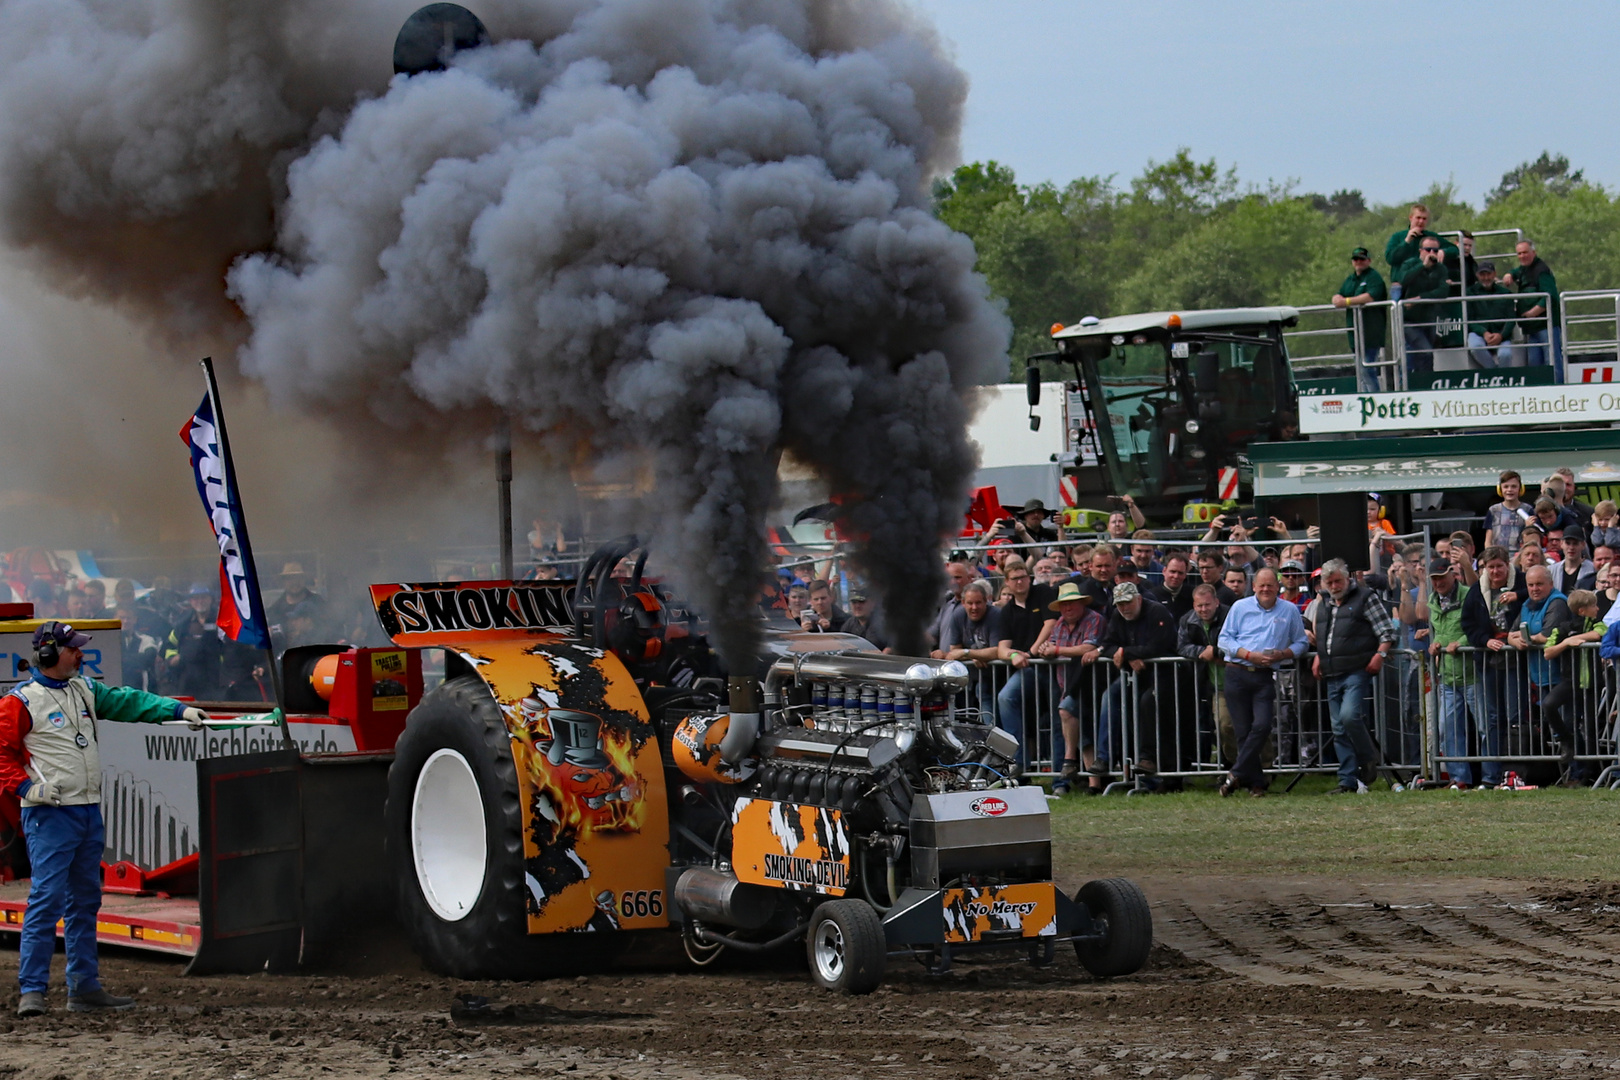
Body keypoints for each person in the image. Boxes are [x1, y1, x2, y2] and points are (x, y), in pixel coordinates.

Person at [0, 621, 210, 1016]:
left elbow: (130, 702)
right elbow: (1, 754)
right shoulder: (20, 701)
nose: (80, 654)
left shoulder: (84, 690)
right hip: (50, 815)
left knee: (84, 901)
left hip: (85, 811)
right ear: (48, 654)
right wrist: (27, 790)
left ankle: (83, 988)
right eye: (73, 648)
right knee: (46, 901)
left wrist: (178, 710)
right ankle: (33, 990)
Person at [1216, 567, 1308, 797]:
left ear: (1278, 587)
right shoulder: (1240, 607)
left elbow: (1302, 643)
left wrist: (1284, 654)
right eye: (1261, 585)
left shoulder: (1289, 610)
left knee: (1263, 726)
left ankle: (1235, 774)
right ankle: (1256, 785)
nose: (1266, 589)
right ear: (1254, 586)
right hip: (1237, 672)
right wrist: (1249, 655)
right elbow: (1224, 640)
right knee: (1242, 732)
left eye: (1270, 585)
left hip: (1264, 676)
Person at [1312, 559, 1398, 794]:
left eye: (1337, 580)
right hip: (1331, 671)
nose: (1334, 585)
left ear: (1347, 577)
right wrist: (1319, 655)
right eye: (1329, 582)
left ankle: (1367, 758)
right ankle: (1347, 780)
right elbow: (1324, 634)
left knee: (1349, 717)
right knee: (1338, 728)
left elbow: (1387, 630)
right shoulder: (1324, 602)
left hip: (1356, 669)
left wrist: (1380, 654)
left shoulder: (1365, 597)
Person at [1092, 581, 1179, 786]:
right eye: (1120, 604)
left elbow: (1159, 645)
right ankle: (1104, 757)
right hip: (1134, 673)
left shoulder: (1157, 612)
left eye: (1128, 603)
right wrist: (1124, 654)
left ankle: (1147, 758)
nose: (1124, 608)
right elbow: (1107, 644)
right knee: (1110, 696)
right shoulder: (1117, 616)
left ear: (1138, 599)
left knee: (1147, 703)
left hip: (1164, 673)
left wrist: (1127, 652)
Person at [1036, 580, 1105, 795]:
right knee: (1083, 731)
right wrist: (1046, 648)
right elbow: (1050, 646)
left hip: (1091, 684)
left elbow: (1088, 647)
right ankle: (1093, 785)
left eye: (1072, 603)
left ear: (1081, 604)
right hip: (1067, 684)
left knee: (1066, 711)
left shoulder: (1095, 619)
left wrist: (1056, 650)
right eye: (1064, 605)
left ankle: (1069, 760)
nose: (1068, 608)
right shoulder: (1058, 624)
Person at [1460, 546, 1520, 789]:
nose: (1495, 571)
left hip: (1517, 660)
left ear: (1508, 566)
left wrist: (1520, 595)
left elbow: (1539, 596)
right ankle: (1491, 776)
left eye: (1499, 566)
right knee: (1492, 718)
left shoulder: (1522, 585)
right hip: (1488, 660)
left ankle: (1516, 772)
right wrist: (1484, 640)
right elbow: (1468, 623)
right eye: (1489, 567)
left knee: (1515, 714)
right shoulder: (1476, 592)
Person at [993, 559, 1056, 767]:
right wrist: (1013, 656)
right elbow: (1002, 648)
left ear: (1029, 578)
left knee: (1059, 715)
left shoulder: (1044, 593)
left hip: (1053, 665)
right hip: (1029, 669)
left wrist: (1031, 651)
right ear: (1007, 583)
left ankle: (1060, 777)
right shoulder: (1007, 611)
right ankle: (1017, 763)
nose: (1020, 582)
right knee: (1005, 698)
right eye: (1015, 579)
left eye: (1023, 577)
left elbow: (1051, 624)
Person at [1426, 558, 1481, 788]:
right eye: (1434, 579)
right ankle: (1460, 779)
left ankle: (1491, 776)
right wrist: (1436, 642)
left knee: (1485, 727)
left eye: (1441, 577)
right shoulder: (1432, 601)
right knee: (1448, 730)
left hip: (1473, 674)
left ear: (1453, 574)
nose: (1438, 582)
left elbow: (1480, 626)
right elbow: (1440, 631)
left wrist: (1461, 642)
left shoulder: (1469, 595)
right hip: (1447, 676)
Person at [1542, 588, 1604, 786]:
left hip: (1592, 683)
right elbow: (1548, 651)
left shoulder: (1597, 623)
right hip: (1570, 682)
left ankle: (1590, 773)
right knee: (1550, 706)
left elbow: (1600, 633)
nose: (1598, 608)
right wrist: (1567, 642)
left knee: (1592, 729)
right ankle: (1566, 741)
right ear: (1582, 610)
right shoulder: (1563, 628)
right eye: (1594, 605)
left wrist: (1582, 638)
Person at [1177, 584, 1229, 773]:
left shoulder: (1230, 616)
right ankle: (1221, 770)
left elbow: (1238, 641)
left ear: (1216, 602)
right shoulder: (1187, 620)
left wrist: (1216, 651)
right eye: (1199, 606)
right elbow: (1181, 647)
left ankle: (1232, 767)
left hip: (1230, 679)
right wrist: (1202, 652)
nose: (1203, 609)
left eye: (1207, 605)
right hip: (1203, 681)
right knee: (1213, 726)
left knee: (1226, 727)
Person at [1503, 239, 1562, 379]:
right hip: (1531, 329)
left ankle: (1558, 393)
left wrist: (1532, 313)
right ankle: (1540, 396)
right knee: (1535, 364)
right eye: (1519, 253)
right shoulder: (1524, 269)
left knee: (1552, 363)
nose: (1522, 256)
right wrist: (1509, 274)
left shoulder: (1542, 271)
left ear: (1533, 253)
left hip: (1546, 326)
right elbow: (1516, 271)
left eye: (1525, 252)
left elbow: (1551, 296)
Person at [1332, 246, 1389, 391]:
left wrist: (1347, 302)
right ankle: (1365, 400)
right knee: (1361, 372)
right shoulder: (1351, 279)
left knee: (1367, 369)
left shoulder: (1373, 277)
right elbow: (1340, 294)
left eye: (1362, 259)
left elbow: (1370, 296)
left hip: (1371, 332)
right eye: (1356, 259)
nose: (1358, 262)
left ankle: (1375, 400)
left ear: (1368, 261)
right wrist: (1336, 298)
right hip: (1355, 333)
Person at [941, 579, 1004, 711]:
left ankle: (992, 731)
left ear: (986, 601)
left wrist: (968, 653)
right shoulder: (958, 615)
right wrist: (974, 656)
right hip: (972, 678)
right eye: (970, 603)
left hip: (999, 675)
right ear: (963, 603)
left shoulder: (996, 615)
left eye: (978, 603)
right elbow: (954, 652)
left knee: (987, 694)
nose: (974, 608)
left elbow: (997, 651)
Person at [1398, 236, 1453, 377]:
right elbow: (1403, 280)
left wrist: (1419, 298)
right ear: (1421, 250)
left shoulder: (1441, 268)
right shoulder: (1410, 264)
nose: (1432, 253)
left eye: (1435, 250)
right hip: (1409, 320)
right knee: (1424, 351)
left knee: (1427, 356)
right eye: (1428, 250)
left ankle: (1425, 384)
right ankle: (1417, 384)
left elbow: (1443, 291)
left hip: (1429, 318)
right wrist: (1422, 266)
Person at [164, 584, 224, 701]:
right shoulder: (183, 624)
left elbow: (231, 647)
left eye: (203, 597)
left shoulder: (222, 620)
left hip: (216, 679)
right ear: (190, 601)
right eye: (195, 598)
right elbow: (170, 645)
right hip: (188, 680)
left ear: (211, 599)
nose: (199, 601)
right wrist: (172, 658)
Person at [1385, 203, 1457, 283]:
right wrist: (1406, 242)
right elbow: (1390, 259)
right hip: (1402, 283)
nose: (1421, 221)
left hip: (1425, 282)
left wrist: (1444, 252)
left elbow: (1454, 249)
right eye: (1418, 218)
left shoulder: (1432, 237)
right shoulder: (1398, 236)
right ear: (1411, 218)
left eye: (1424, 219)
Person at [1465, 261, 1516, 369]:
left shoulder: (1505, 293)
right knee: (1475, 347)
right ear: (1477, 275)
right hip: (1479, 333)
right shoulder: (1469, 293)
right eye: (1482, 274)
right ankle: (1494, 373)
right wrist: (1484, 333)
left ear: (1494, 274)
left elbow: (1511, 319)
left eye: (1488, 274)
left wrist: (1501, 335)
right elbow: (1469, 320)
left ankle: (1502, 380)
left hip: (1501, 333)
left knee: (1505, 355)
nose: (1486, 277)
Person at [265, 562, 325, 646]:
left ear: (304, 580)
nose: (295, 582)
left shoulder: (318, 602)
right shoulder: (275, 609)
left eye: (298, 578)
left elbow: (330, 629)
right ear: (283, 582)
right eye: (290, 579)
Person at [927, 558, 973, 657]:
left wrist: (949, 655)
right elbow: (933, 634)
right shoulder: (947, 605)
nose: (953, 582)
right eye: (950, 578)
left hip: (966, 666)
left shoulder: (975, 607)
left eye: (957, 577)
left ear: (969, 578)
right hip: (947, 667)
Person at [1486, 470, 1531, 551]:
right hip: (1498, 555)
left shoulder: (1528, 510)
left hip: (1520, 554)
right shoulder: (1493, 510)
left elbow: (1532, 538)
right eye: (1506, 487)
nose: (1509, 490)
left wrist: (1529, 527)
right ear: (1500, 489)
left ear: (1520, 488)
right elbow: (1488, 540)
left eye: (1514, 486)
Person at [1549, 527, 1596, 593]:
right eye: (1568, 543)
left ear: (1583, 545)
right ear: (1561, 544)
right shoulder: (1551, 570)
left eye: (1575, 543)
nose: (1571, 547)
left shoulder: (1592, 569)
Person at [1151, 552, 1195, 620]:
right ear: (1164, 571)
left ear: (1185, 574)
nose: (1176, 576)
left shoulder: (1193, 594)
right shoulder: (1152, 596)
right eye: (1172, 571)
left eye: (1180, 573)